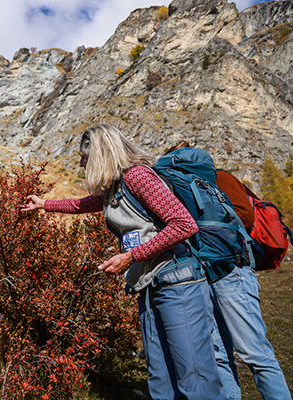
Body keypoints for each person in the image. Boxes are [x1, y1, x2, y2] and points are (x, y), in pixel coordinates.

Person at [21, 124, 225, 399]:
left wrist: (131, 256)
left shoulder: (139, 177)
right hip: (150, 284)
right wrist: (43, 204)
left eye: (85, 157)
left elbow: (183, 225)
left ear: (102, 155)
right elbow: (83, 204)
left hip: (178, 283)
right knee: (160, 375)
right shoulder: (114, 189)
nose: (82, 164)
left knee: (195, 376)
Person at [166, 141, 292, 400]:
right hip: (203, 273)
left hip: (232, 270)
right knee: (218, 354)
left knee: (255, 353)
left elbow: (244, 216)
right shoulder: (183, 186)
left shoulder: (219, 177)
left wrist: (202, 223)